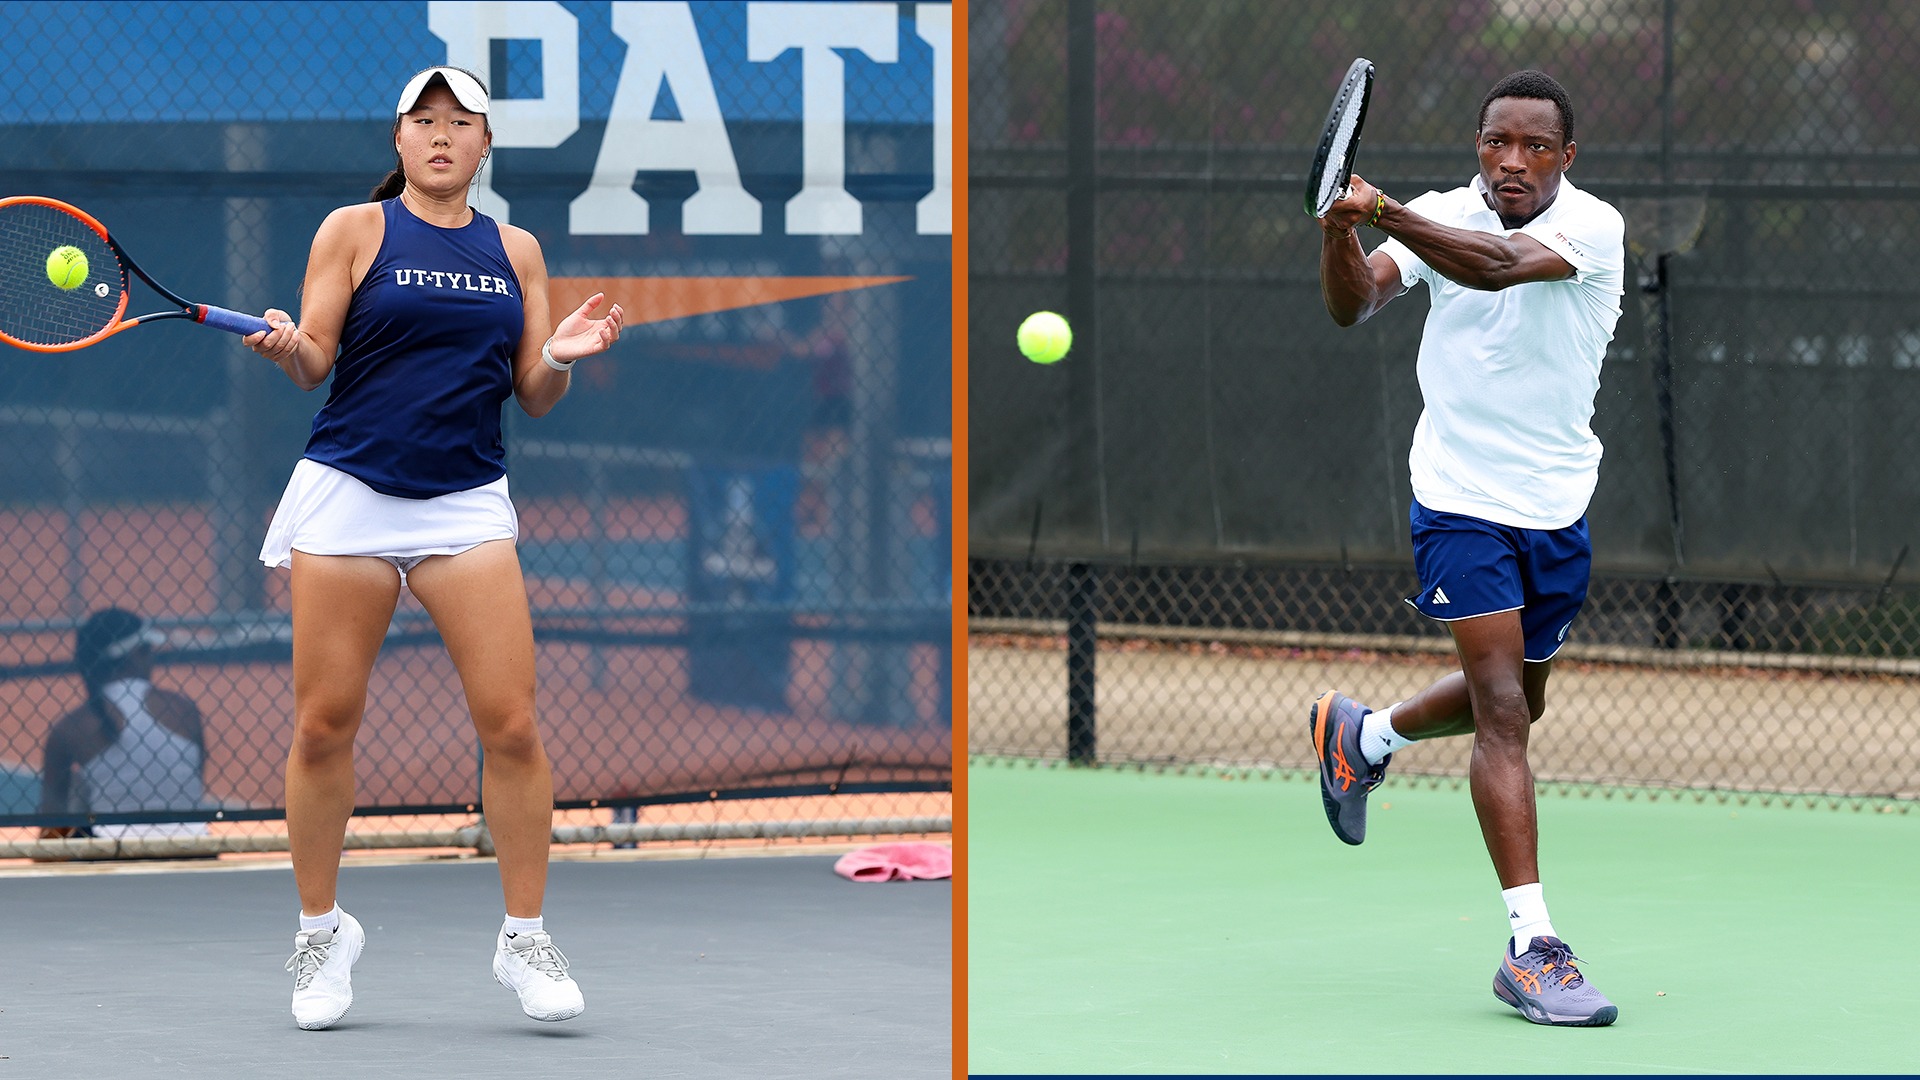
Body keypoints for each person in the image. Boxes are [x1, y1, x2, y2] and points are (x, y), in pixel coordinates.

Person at [242, 65, 623, 1031]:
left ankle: (523, 937)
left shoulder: (517, 251)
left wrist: (560, 361)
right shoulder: (354, 231)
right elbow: (316, 361)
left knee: (513, 726)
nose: (443, 136)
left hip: (464, 503)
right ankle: (322, 934)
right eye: (425, 121)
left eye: (462, 123)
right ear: (398, 141)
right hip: (350, 496)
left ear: (485, 145)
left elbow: (533, 393)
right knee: (325, 724)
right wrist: (290, 346)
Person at [1311, 70, 1624, 1027]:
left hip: (1557, 504)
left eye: (1535, 145)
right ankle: (1533, 946)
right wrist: (1340, 231)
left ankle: (1364, 735)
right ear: (1478, 144)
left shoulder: (1593, 228)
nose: (1513, 160)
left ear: (1565, 158)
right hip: (1457, 501)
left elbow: (1491, 264)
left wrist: (1381, 208)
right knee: (1501, 712)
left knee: (1525, 696)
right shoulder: (1441, 212)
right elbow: (1353, 303)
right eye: (1497, 141)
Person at [38, 607, 208, 841]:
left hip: (112, 856)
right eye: (147, 650)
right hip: (194, 848)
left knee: (81, 787)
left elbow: (51, 834)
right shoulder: (183, 710)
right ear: (135, 654)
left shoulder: (71, 728)